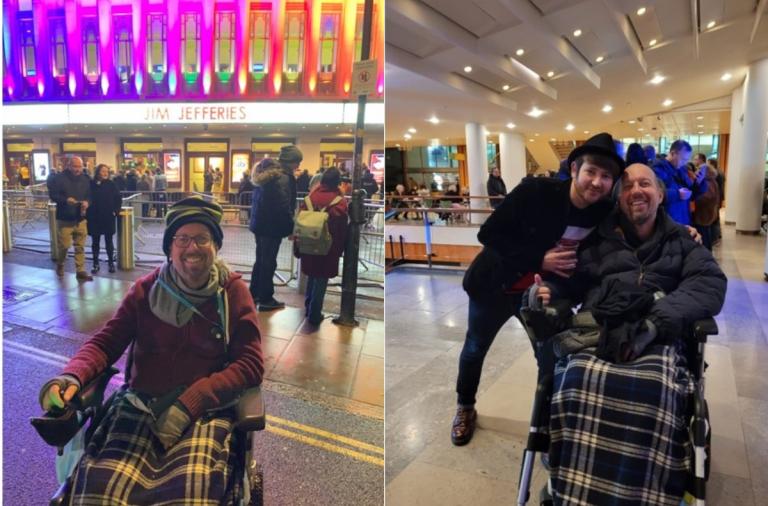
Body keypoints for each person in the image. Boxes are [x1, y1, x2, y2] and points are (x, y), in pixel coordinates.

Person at [38, 197, 264, 504]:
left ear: (216, 246)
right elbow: (106, 343)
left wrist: (192, 402)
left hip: (203, 413)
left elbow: (250, 363)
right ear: (170, 248)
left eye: (202, 238)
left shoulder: (233, 292)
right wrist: (72, 377)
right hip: (140, 405)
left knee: (191, 494)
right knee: (100, 491)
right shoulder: (145, 290)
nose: (192, 247)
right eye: (182, 239)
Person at [529, 163, 726, 505]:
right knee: (573, 378)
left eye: (645, 184)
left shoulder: (683, 241)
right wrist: (550, 292)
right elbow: (570, 283)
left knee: (655, 386)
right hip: (600, 333)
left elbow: (709, 284)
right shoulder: (598, 243)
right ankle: (574, 481)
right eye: (628, 185)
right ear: (619, 199)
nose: (636, 191)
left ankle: (644, 490)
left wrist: (654, 323)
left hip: (660, 338)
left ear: (660, 194)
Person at [452, 133, 625, 446]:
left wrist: (684, 230)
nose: (597, 182)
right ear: (574, 169)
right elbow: (489, 234)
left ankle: (545, 421)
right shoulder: (536, 192)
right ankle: (465, 407)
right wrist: (539, 259)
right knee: (475, 347)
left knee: (549, 357)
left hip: (539, 296)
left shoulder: (602, 210)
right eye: (591, 171)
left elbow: (640, 217)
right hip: (493, 286)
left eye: (606, 176)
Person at [295, 168, 349, 326]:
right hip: (328, 246)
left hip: (308, 243)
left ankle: (308, 307)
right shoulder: (339, 202)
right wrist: (340, 249)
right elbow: (340, 229)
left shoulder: (310, 198)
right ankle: (314, 312)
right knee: (321, 279)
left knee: (311, 276)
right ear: (337, 182)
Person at [248, 154, 296, 311]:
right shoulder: (279, 180)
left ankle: (254, 293)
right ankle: (266, 298)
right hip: (272, 227)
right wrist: (291, 227)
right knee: (269, 262)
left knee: (260, 260)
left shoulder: (259, 180)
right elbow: (283, 206)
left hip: (259, 226)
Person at [49, 156, 93, 281]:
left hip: (81, 218)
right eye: (75, 166)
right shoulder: (59, 178)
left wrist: (87, 202)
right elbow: (53, 195)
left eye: (80, 166)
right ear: (69, 166)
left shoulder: (86, 178)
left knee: (80, 246)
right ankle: (60, 264)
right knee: (64, 246)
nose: (78, 169)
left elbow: (90, 195)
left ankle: (80, 270)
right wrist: (65, 200)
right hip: (65, 218)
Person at [652, 140, 707, 225]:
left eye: (687, 160)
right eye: (683, 159)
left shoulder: (682, 169)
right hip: (668, 223)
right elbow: (655, 195)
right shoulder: (657, 168)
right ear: (672, 153)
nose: (685, 162)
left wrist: (699, 183)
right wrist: (678, 194)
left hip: (683, 218)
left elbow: (691, 194)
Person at [87, 164, 122, 274]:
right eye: (103, 171)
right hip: (95, 216)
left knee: (109, 241)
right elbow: (87, 197)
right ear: (98, 172)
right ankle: (95, 263)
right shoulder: (91, 184)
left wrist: (115, 211)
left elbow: (118, 198)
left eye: (107, 171)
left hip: (108, 216)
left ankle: (111, 263)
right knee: (95, 242)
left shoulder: (111, 184)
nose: (105, 173)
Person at [692, 154, 721, 250]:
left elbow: (707, 197)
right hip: (708, 213)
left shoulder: (707, 182)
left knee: (704, 237)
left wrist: (694, 199)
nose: (697, 172)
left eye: (699, 171)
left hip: (704, 213)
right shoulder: (712, 180)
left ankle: (706, 254)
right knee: (706, 235)